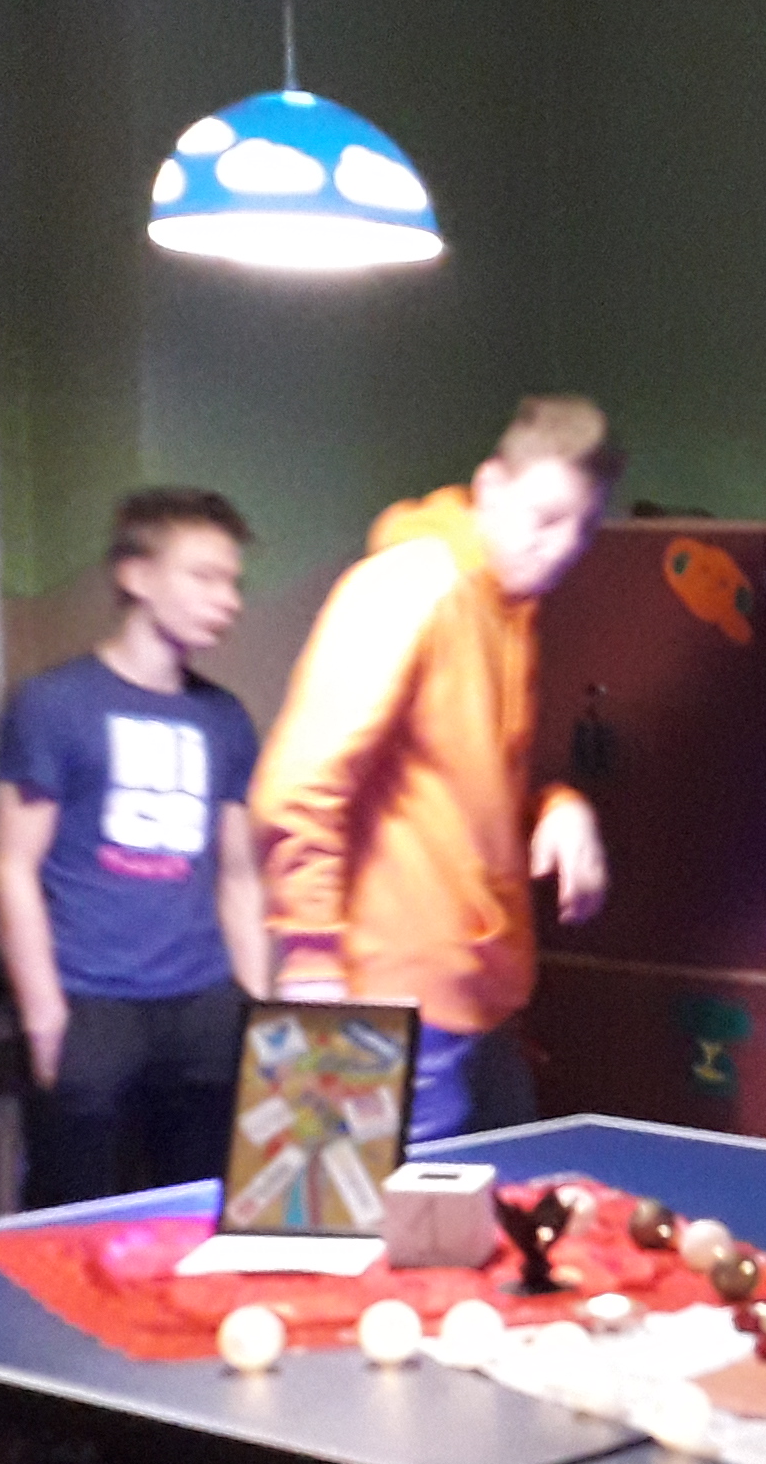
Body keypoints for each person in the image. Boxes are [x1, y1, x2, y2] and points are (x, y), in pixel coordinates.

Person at [0, 486, 269, 1464]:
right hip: (92, 1007)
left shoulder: (224, 719)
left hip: (202, 1009)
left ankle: (176, 1457)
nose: (227, 599)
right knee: (65, 1253)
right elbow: (13, 867)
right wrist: (44, 1010)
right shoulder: (54, 705)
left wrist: (262, 1016)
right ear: (137, 576)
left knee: (192, 1248)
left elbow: (238, 878)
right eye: (206, 575)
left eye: (235, 580)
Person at [252, 395, 615, 1147]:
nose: (561, 548)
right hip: (373, 1001)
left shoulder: (508, 611)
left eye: (584, 528)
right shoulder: (410, 586)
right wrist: (311, 960)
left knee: (507, 1207)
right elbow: (298, 785)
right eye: (546, 518)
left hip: (479, 998)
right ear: (490, 487)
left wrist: (558, 805)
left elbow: (465, 794)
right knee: (355, 1223)